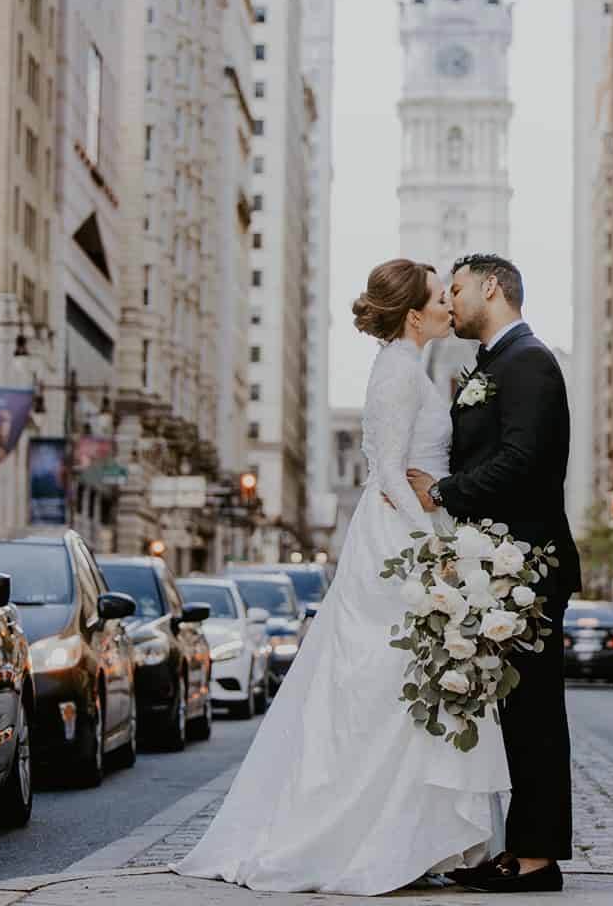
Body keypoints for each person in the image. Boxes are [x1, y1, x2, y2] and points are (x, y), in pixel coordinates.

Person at [176, 259, 510, 894]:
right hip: (397, 542)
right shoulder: (397, 372)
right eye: (441, 298)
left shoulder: (412, 367)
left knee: (410, 686)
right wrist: (429, 550)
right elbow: (388, 472)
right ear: (415, 315)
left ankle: (418, 838)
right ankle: (368, 835)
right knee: (390, 686)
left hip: (412, 530)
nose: (450, 306)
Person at [409, 252, 580, 893]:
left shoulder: (530, 361)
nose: (449, 302)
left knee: (534, 714)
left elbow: (523, 460)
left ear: (491, 287)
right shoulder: (492, 364)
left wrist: (446, 493)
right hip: (498, 566)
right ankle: (519, 847)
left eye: (456, 289)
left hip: (529, 565)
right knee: (510, 713)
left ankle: (537, 859)